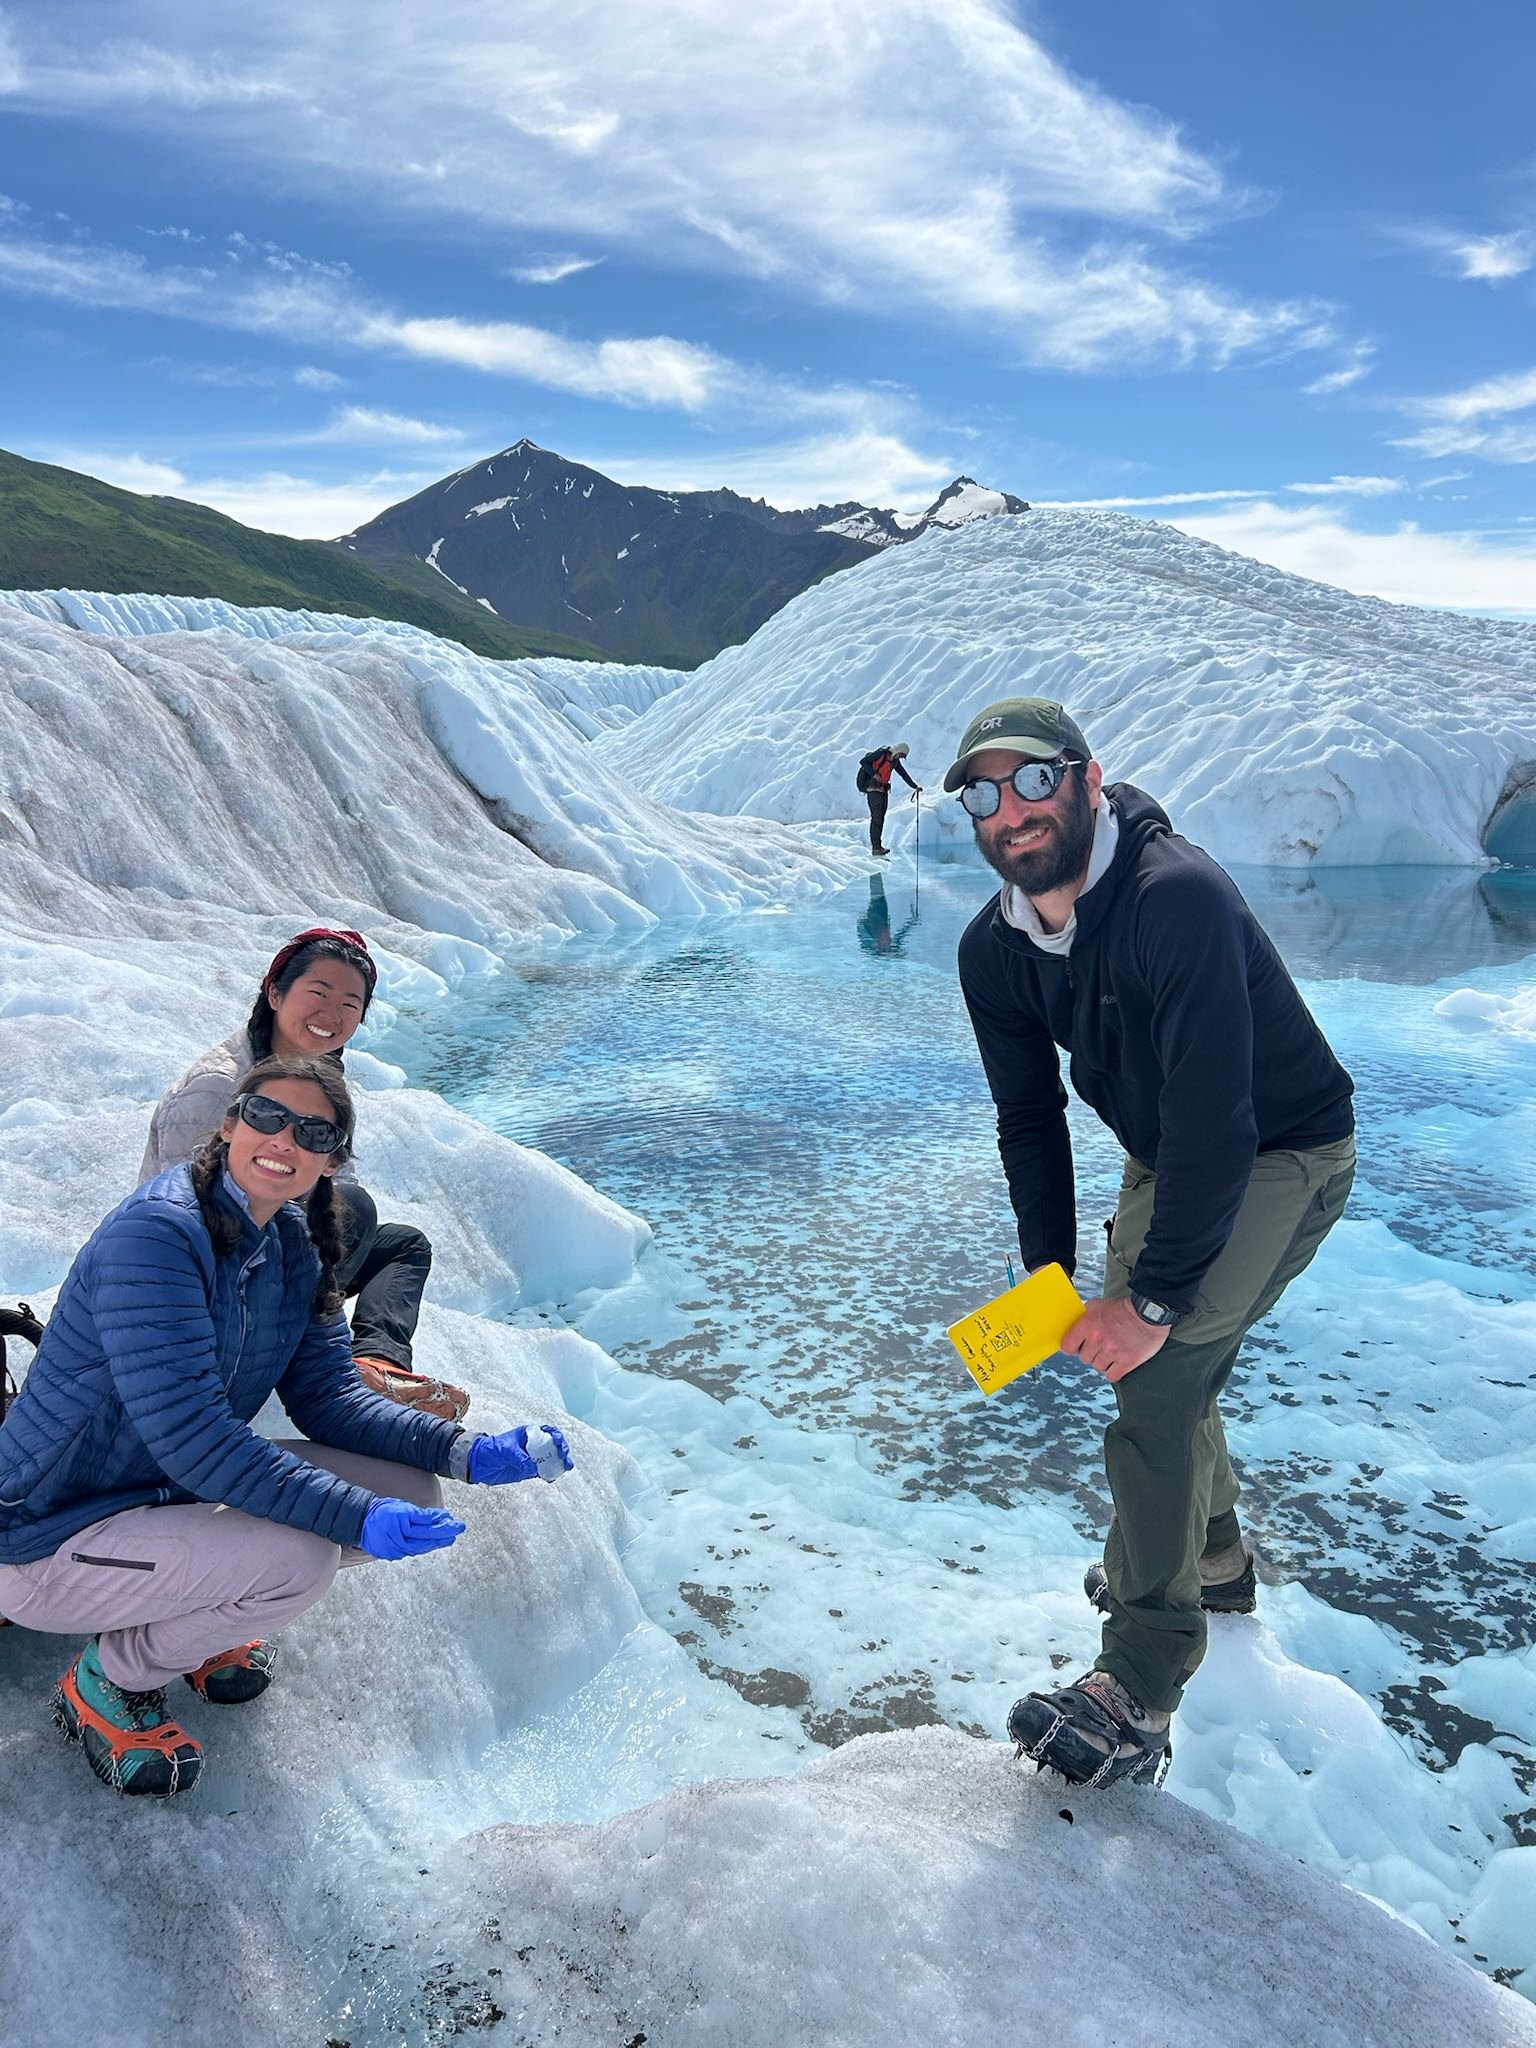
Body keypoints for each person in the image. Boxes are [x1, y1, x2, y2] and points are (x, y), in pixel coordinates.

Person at [947, 696, 1355, 1788]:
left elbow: (1224, 1119)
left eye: (1032, 780)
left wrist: (1153, 1296)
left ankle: (1139, 1680)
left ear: (1086, 779)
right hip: (1171, 1153)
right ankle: (1213, 1559)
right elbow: (1028, 1114)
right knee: (1162, 1360)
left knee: (1160, 1372)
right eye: (982, 793)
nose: (1010, 810)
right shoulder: (994, 946)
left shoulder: (1178, 899)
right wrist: (1047, 1278)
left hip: (1284, 1149)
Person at [0, 1055, 573, 1799]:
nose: (285, 1138)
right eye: (267, 1115)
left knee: (415, 1490)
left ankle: (190, 1609)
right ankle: (108, 1680)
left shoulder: (296, 1241)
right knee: (296, 1560)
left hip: (158, 1495)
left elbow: (331, 1398)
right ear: (232, 1124)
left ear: (333, 1156)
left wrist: (468, 1451)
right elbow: (196, 1438)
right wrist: (354, 1516)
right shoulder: (158, 1234)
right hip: (49, 1531)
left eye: (313, 1129)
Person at [141, 925, 466, 1420]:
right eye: (319, 992)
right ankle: (302, 1358)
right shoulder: (215, 1088)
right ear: (275, 992)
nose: (331, 1014)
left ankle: (376, 1365)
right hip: (211, 1284)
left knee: (401, 1244)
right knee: (351, 1211)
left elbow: (339, 1180)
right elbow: (179, 1219)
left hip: (278, 1249)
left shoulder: (316, 1077)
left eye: (349, 1004)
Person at [858, 743, 922, 857]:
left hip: (883, 789)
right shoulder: (881, 754)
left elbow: (903, 774)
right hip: (873, 789)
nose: (901, 757)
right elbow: (863, 761)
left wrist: (914, 786)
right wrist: (874, 774)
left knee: (881, 818)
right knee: (876, 818)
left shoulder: (894, 762)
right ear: (897, 751)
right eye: (901, 755)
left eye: (903, 756)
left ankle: (878, 846)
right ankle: (875, 848)